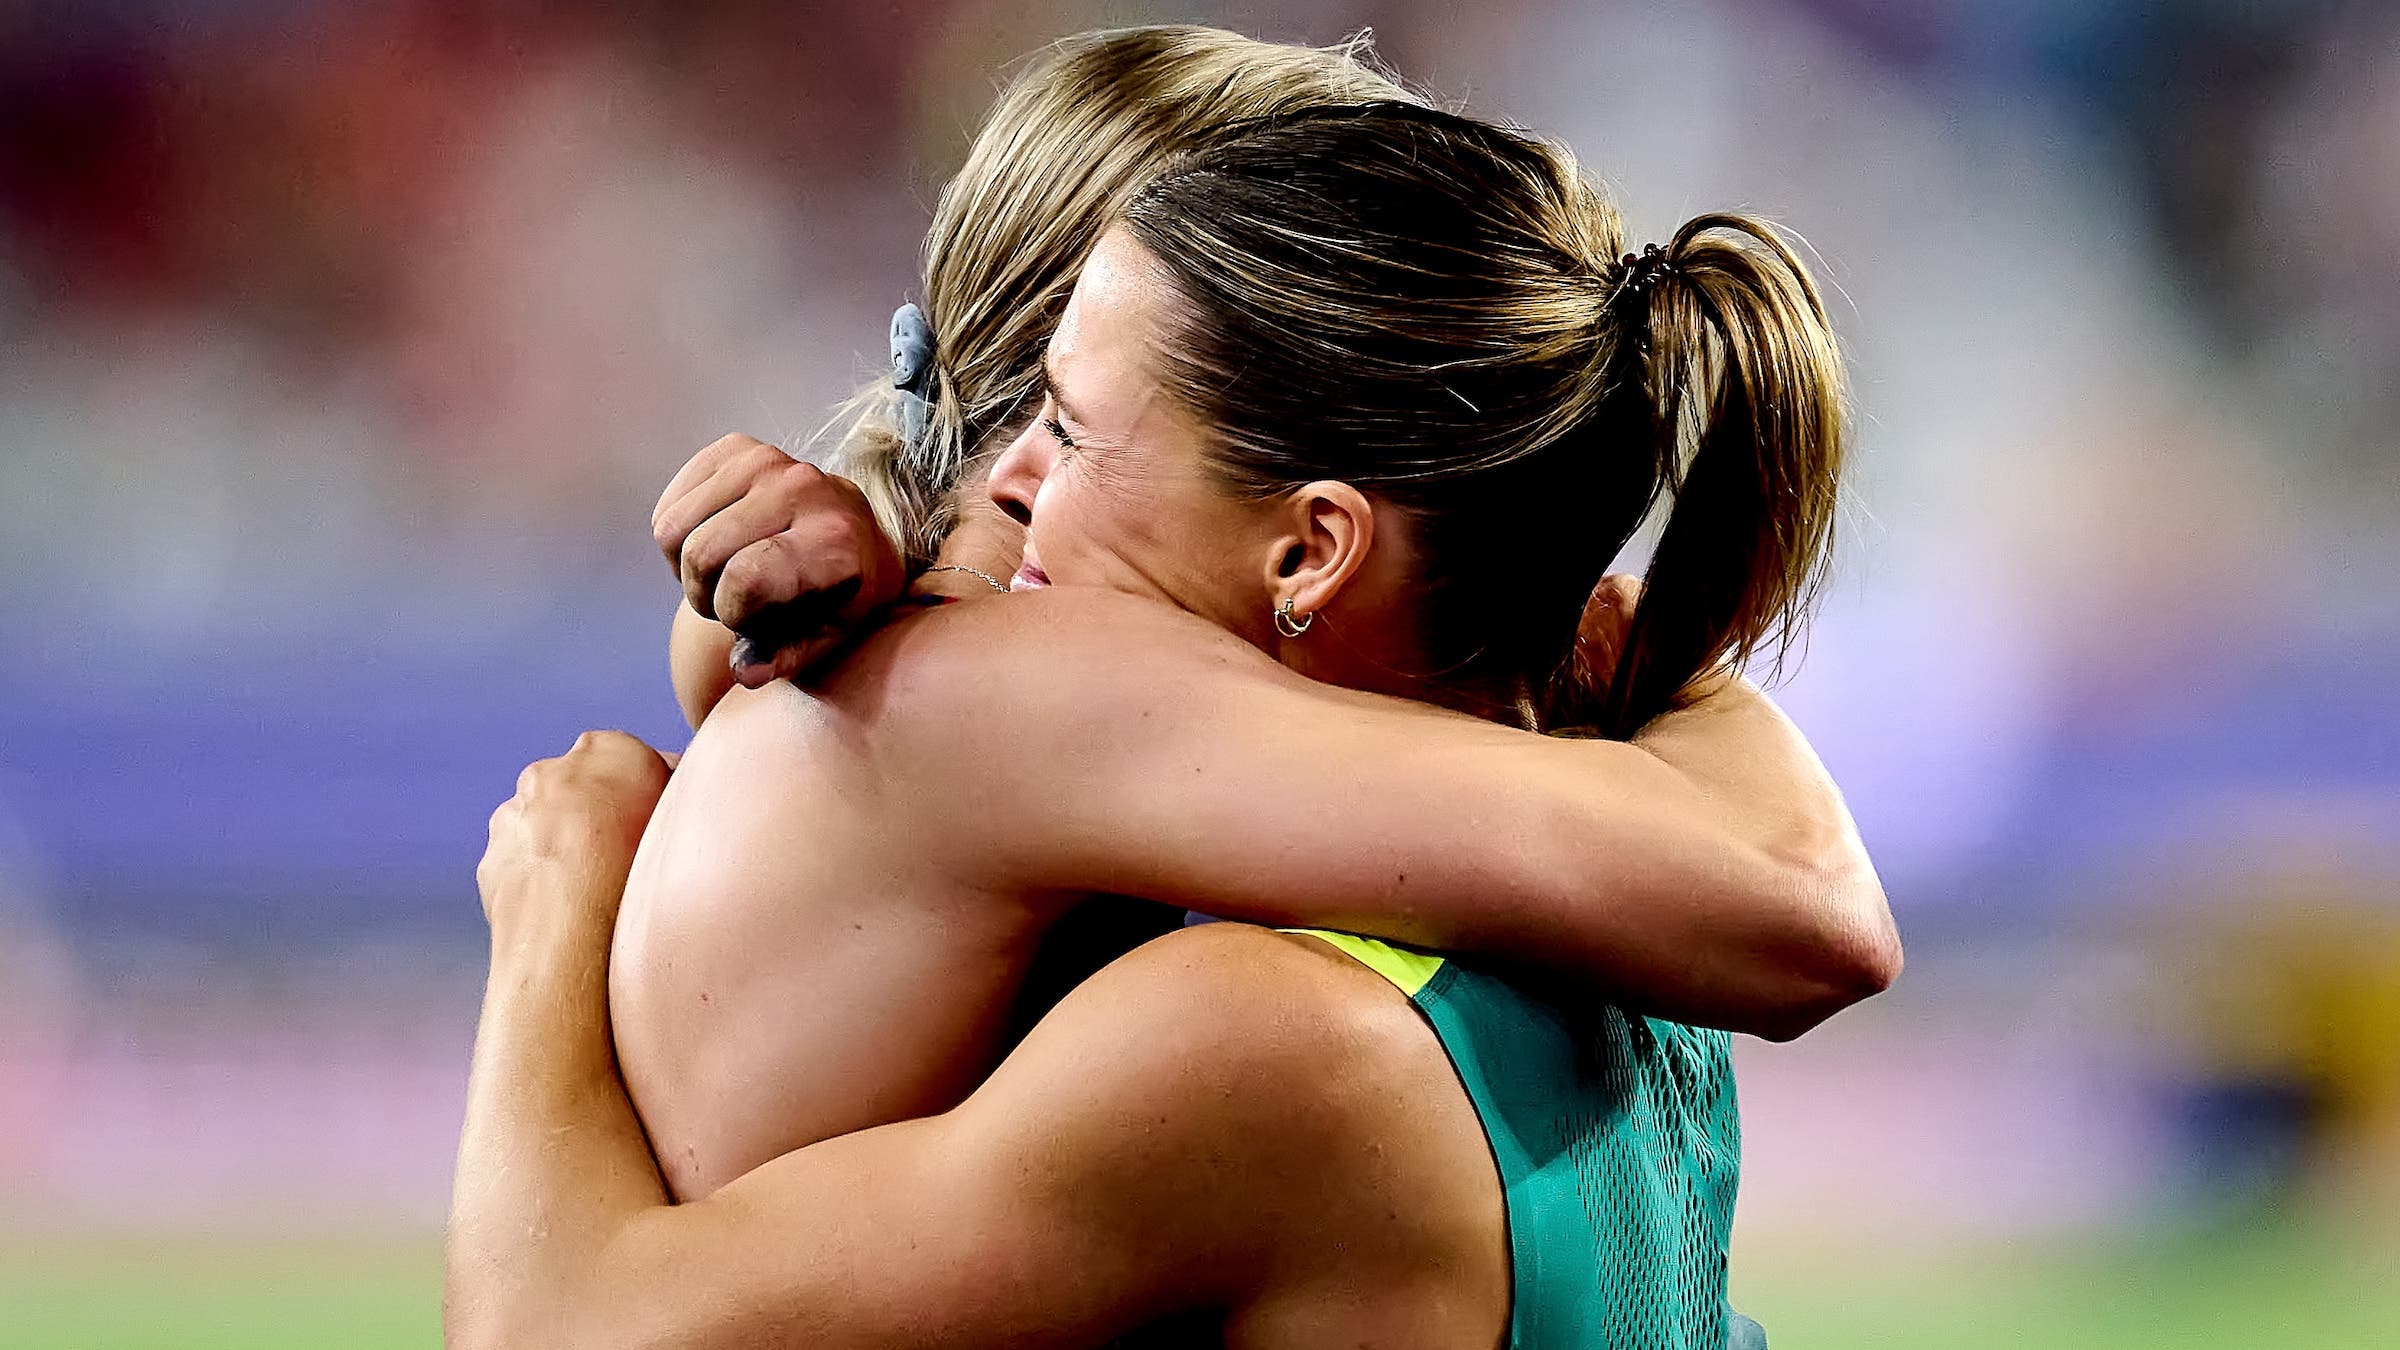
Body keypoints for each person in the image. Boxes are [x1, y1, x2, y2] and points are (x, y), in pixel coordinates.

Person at [453, 62, 1887, 1350]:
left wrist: (553, 897)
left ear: (1316, 545)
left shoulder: (1267, 1038)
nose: (1022, 475)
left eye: (1073, 425)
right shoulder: (1620, 878)